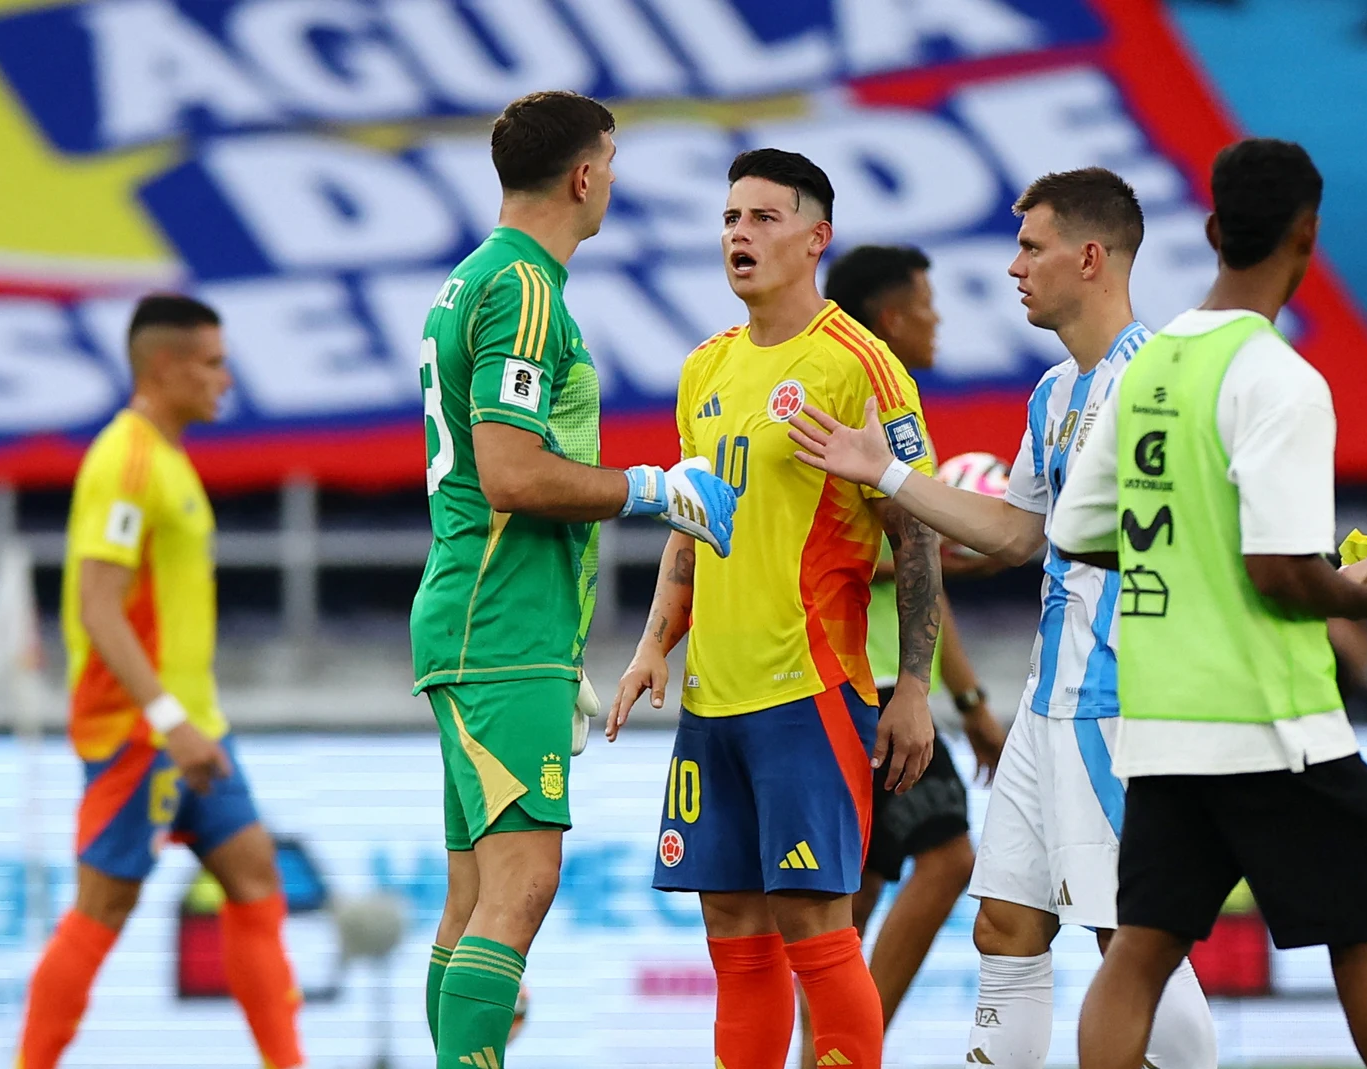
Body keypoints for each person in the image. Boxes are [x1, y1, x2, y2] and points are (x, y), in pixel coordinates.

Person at [788, 168, 1217, 1069]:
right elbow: (1020, 530)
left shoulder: (1158, 383)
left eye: (1032, 245)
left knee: (1129, 936)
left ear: (1090, 256)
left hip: (1116, 699)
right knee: (1006, 923)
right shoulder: (1055, 392)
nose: (1013, 266)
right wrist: (890, 475)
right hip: (1047, 697)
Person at [1044, 139, 1367, 1069]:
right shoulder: (1281, 377)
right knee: (1366, 935)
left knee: (1138, 952)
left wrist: (1182, 553)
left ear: (1214, 229)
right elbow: (1280, 569)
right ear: (1308, 235)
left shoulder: (1145, 366)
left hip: (1160, 720)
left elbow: (1076, 528)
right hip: (1270, 720)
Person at [409, 90, 737, 1069]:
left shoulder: (471, 280)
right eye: (614, 165)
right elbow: (510, 473)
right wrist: (654, 488)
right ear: (585, 176)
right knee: (520, 886)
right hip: (501, 620)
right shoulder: (525, 289)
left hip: (495, 621)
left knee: (474, 895)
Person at [607, 148, 942, 1069]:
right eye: (728, 220)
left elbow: (915, 533)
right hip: (713, 698)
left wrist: (912, 685)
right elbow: (690, 522)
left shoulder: (861, 366)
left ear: (816, 237)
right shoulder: (703, 370)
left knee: (813, 923)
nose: (738, 236)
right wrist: (652, 647)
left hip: (811, 692)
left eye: (761, 218)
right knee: (731, 923)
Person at [17, 294, 304, 1069]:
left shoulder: (168, 455)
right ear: (166, 367)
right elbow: (96, 605)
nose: (226, 377)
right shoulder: (127, 460)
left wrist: (189, 718)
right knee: (102, 908)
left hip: (192, 725)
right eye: (212, 363)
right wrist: (168, 717)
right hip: (142, 733)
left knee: (254, 878)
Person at [809, 244, 1009, 1043]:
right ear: (892, 317)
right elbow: (851, 547)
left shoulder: (861, 396)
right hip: (876, 687)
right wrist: (935, 538)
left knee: (850, 896)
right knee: (946, 858)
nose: (938, 320)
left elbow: (926, 586)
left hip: (861, 680)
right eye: (928, 305)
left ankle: (830, 1049)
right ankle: (856, 1047)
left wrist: (969, 701)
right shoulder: (865, 404)